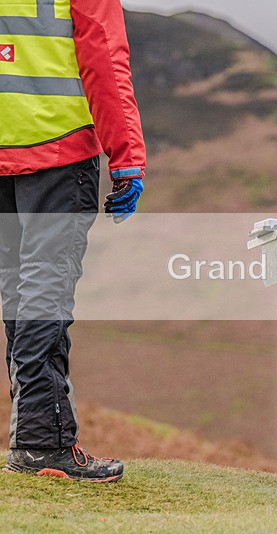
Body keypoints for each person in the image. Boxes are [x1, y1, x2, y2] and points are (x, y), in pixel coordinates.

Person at [0, 0, 146, 482]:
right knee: (45, 291)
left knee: (18, 292)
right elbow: (102, 56)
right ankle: (43, 443)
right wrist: (126, 157)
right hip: (58, 148)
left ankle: (32, 436)